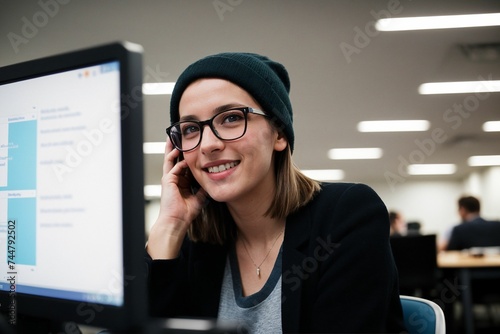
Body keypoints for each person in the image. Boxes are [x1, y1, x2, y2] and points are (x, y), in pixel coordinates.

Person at [145, 52, 405, 333]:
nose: (208, 144)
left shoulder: (347, 215)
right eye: (191, 129)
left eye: (231, 118)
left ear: (279, 134)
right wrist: (168, 230)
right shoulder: (195, 243)